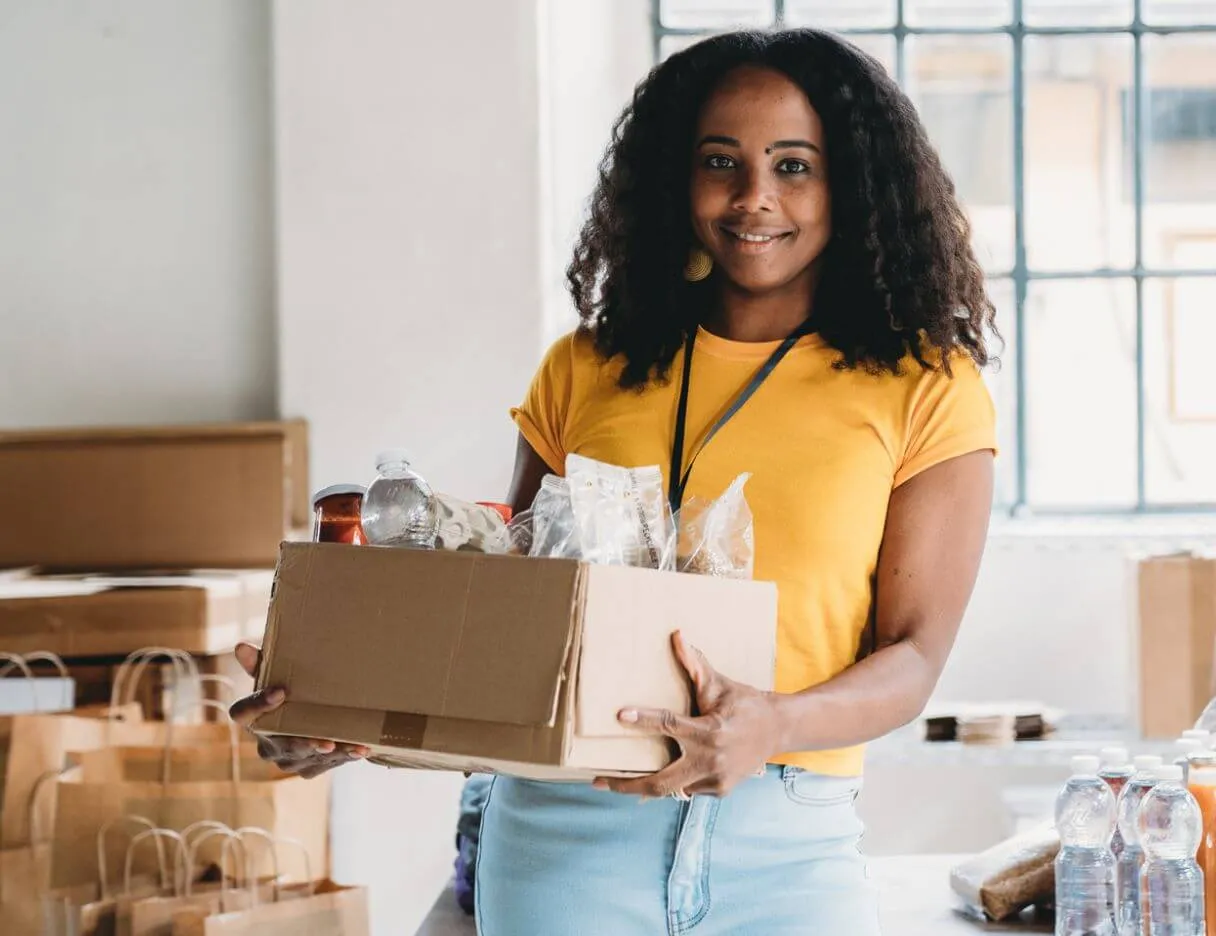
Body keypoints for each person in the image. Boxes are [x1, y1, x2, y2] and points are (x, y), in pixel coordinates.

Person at [231, 27, 998, 934]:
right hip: (564, 836)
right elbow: (505, 622)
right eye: (722, 161)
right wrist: (338, 711)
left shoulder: (926, 388)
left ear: (854, 188)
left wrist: (772, 724)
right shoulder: (584, 370)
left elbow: (911, 660)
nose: (755, 197)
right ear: (678, 176)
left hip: (785, 848)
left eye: (795, 165)